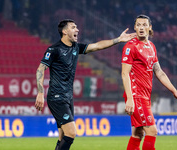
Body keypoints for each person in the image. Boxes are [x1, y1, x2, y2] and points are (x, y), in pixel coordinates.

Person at [35, 19, 136, 150]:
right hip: (56, 97)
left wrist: (118, 39)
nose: (77, 29)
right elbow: (40, 69)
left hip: (68, 97)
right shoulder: (54, 49)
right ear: (65, 31)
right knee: (71, 133)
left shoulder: (76, 47)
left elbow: (97, 46)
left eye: (76, 27)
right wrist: (40, 92)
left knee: (63, 136)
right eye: (73, 27)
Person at [121, 15, 177, 150]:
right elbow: (124, 73)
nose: (141, 27)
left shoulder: (151, 46)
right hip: (136, 96)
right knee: (152, 131)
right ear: (135, 28)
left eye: (144, 25)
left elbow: (159, 72)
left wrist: (175, 91)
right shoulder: (130, 46)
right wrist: (130, 99)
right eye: (138, 25)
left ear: (150, 28)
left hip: (144, 95)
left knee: (138, 134)